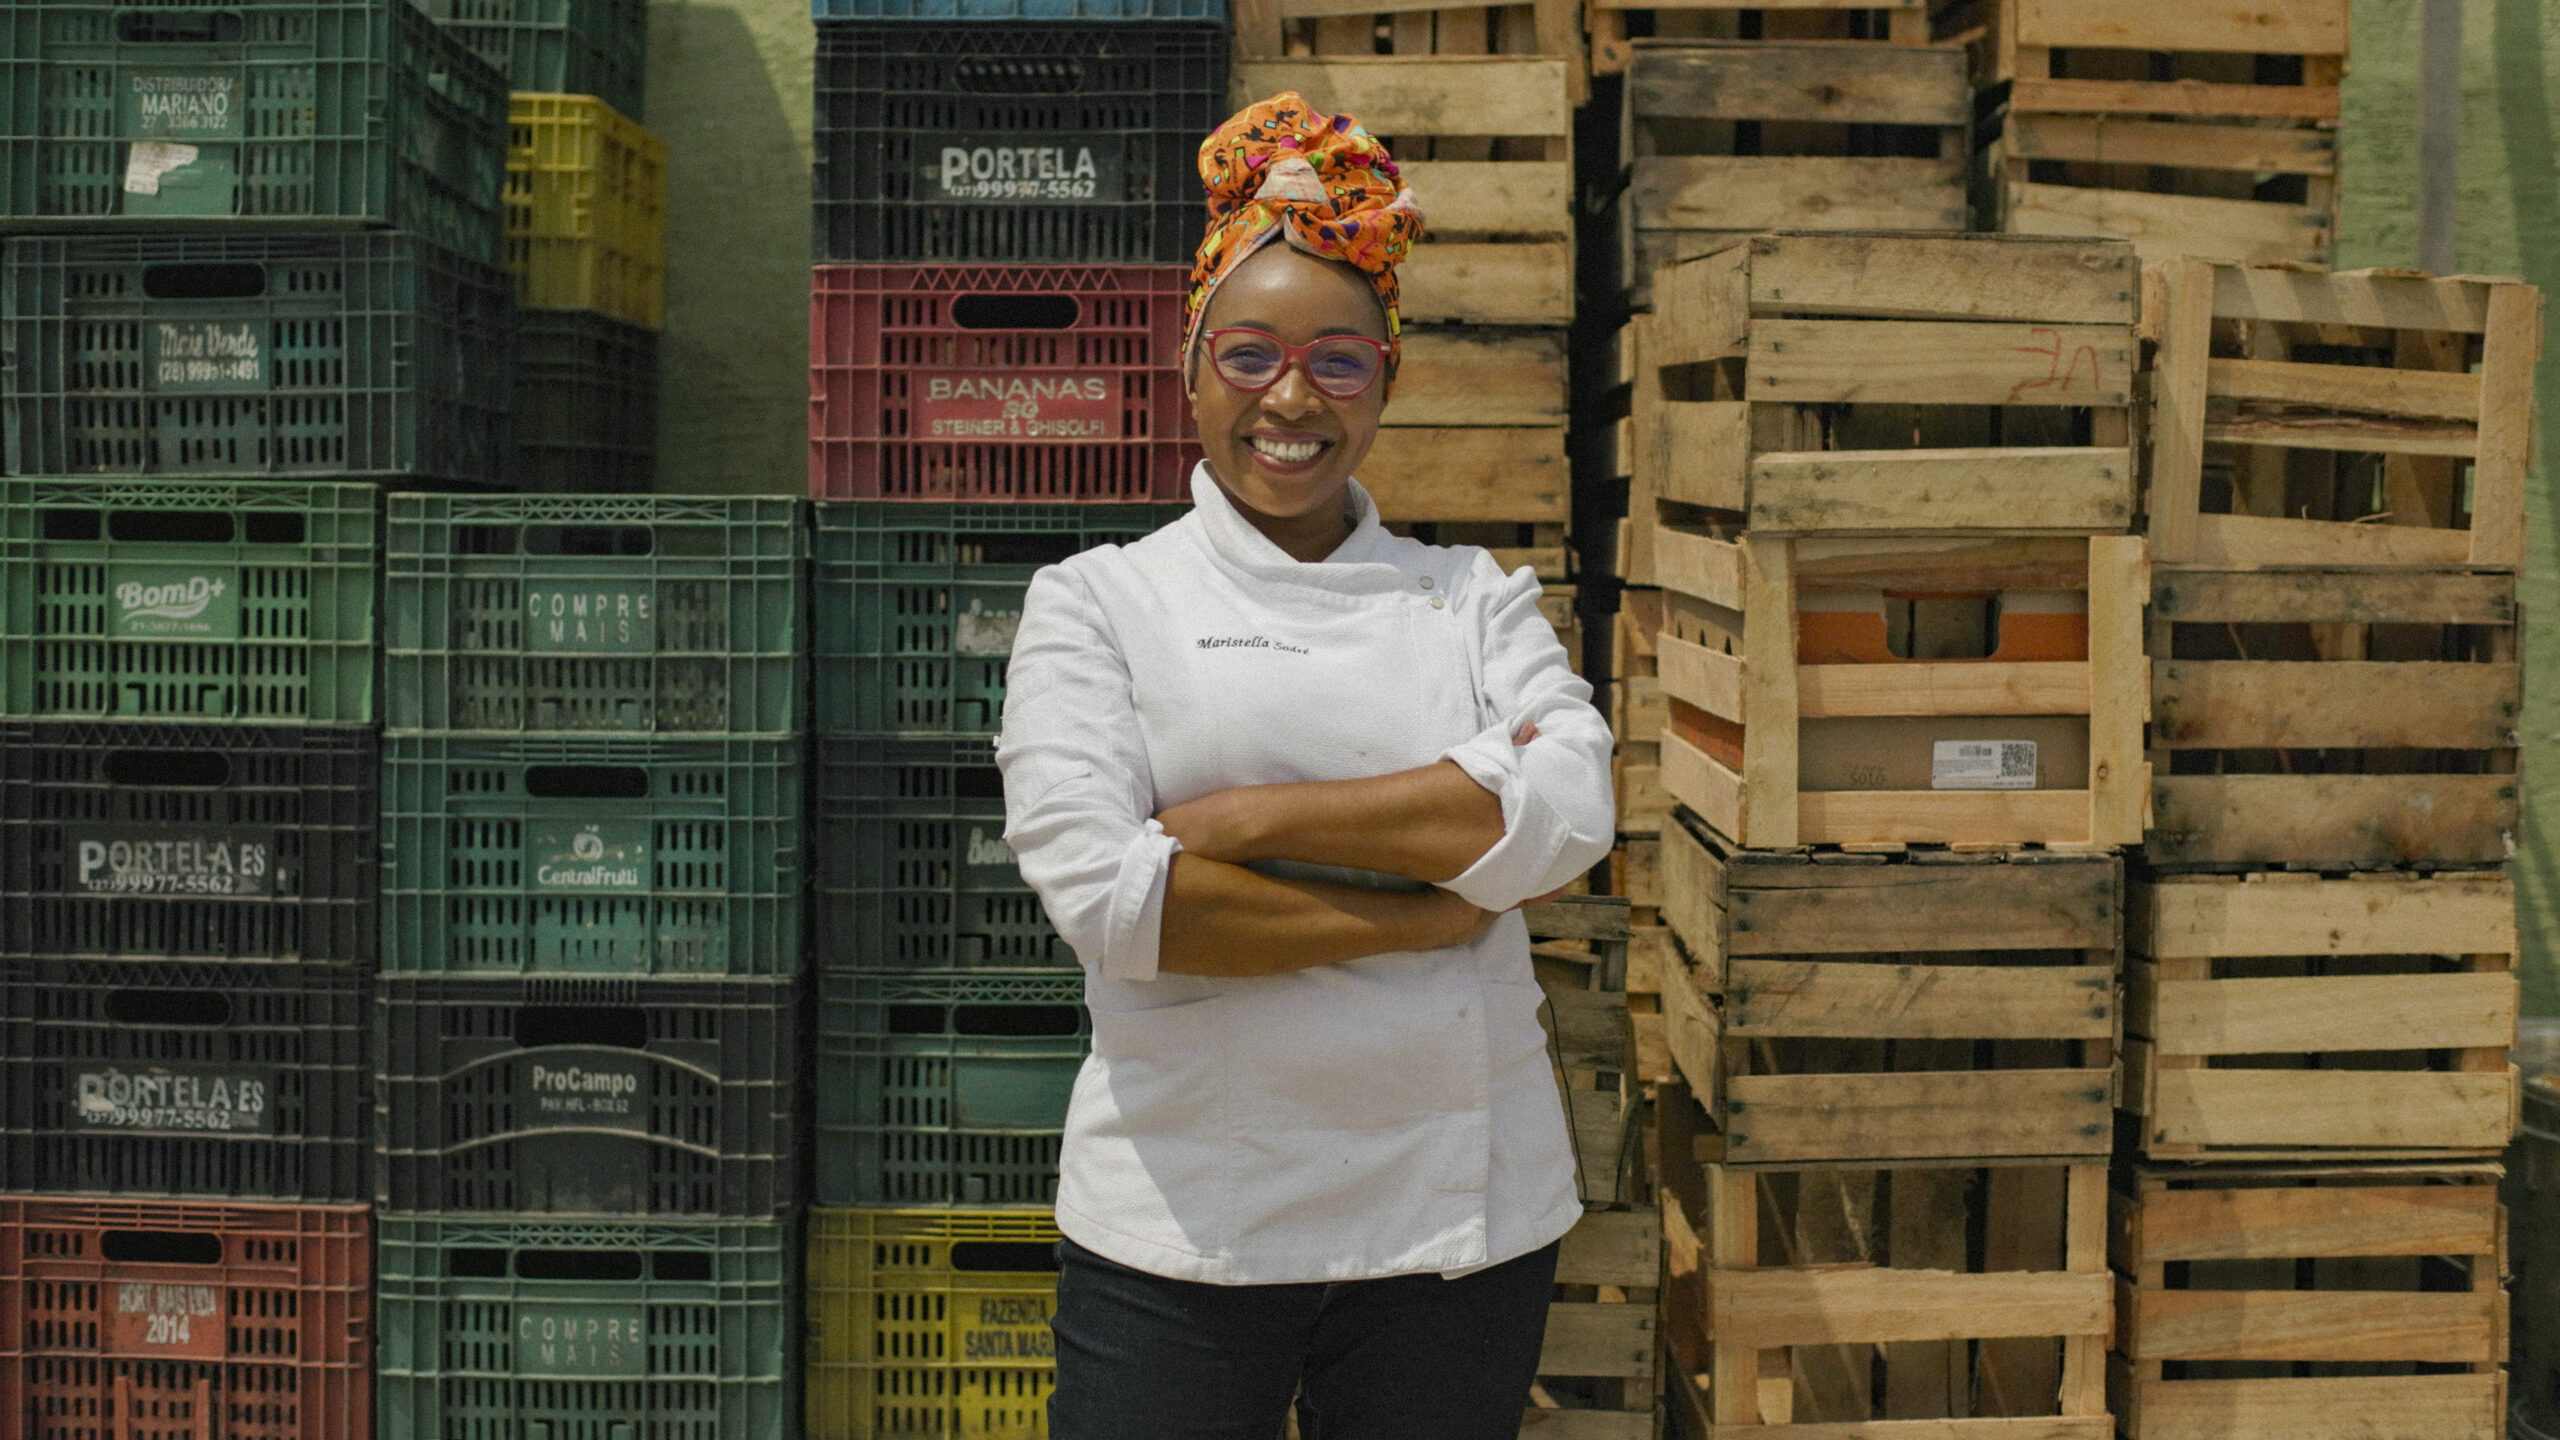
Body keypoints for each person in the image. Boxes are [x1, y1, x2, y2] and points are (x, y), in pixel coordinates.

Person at [995, 92, 1617, 1439]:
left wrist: (1244, 819)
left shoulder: (1469, 596)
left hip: (1457, 1229)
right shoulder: (1099, 601)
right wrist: (1430, 909)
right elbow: (1112, 899)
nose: (1291, 398)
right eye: (1250, 354)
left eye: (1339, 361)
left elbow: (1570, 812)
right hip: (1182, 1225)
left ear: (1388, 380)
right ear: (1190, 365)